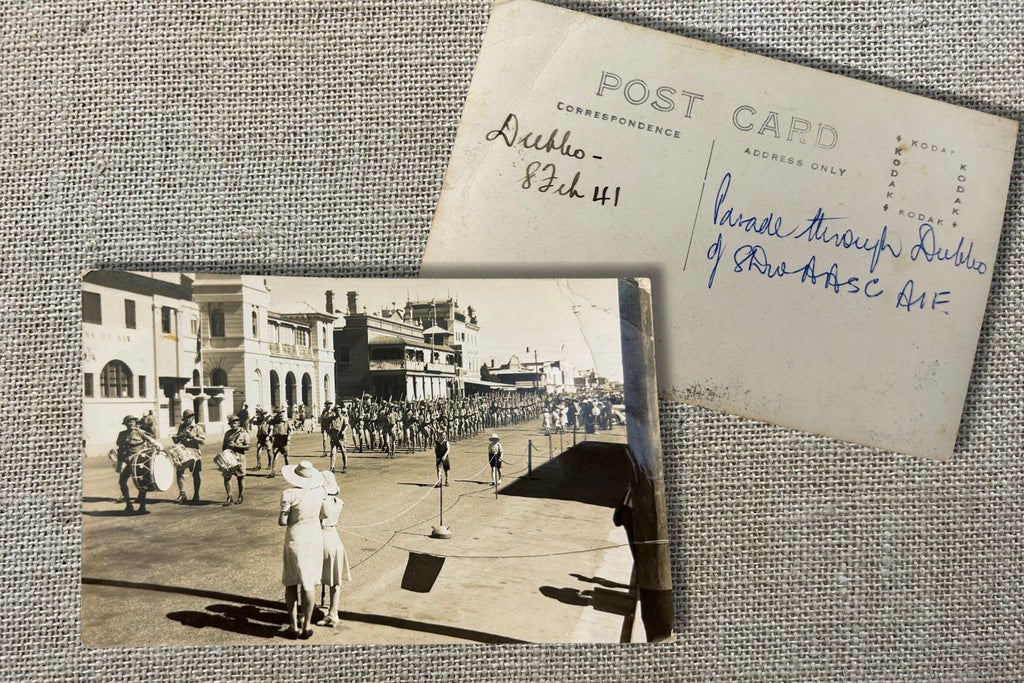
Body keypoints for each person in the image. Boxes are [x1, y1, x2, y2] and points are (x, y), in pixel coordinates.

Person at [279, 460, 326, 639]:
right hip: (313, 536)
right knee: (309, 581)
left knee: (292, 581)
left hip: (296, 536)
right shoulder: (320, 491)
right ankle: (306, 625)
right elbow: (323, 515)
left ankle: (293, 626)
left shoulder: (289, 494)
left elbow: (282, 521)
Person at [317, 470, 351, 628]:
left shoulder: (321, 502)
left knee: (312, 578)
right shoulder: (338, 501)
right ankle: (333, 612)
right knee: (334, 579)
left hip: (321, 538)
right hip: (334, 538)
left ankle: (306, 613)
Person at [115, 415, 150, 514]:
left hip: (139, 461)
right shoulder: (122, 434)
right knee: (122, 482)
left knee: (141, 483)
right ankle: (128, 505)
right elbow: (120, 450)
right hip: (128, 462)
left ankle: (142, 506)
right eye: (129, 422)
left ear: (135, 423)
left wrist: (156, 445)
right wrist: (119, 463)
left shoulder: (140, 432)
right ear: (125, 424)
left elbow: (150, 440)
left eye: (133, 422)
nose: (131, 424)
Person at [171, 408, 205, 503]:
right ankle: (182, 494)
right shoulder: (181, 427)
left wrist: (193, 437)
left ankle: (196, 494)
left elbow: (203, 441)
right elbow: (177, 440)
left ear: (193, 417)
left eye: (188, 418)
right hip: (183, 452)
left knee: (195, 473)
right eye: (185, 418)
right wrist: (175, 438)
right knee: (179, 472)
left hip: (194, 452)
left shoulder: (198, 428)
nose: (186, 420)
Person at [218, 414, 250, 505]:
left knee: (240, 477)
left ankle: (241, 496)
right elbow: (224, 445)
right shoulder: (228, 433)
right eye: (231, 423)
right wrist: (224, 455)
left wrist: (236, 446)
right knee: (227, 477)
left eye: (235, 423)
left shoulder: (244, 433)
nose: (233, 425)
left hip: (240, 456)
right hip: (229, 457)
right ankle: (229, 497)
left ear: (238, 423)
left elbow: (247, 447)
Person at [269, 407, 292, 477]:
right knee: (274, 456)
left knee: (286, 457)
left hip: (284, 441)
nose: (282, 416)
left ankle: (289, 471)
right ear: (278, 415)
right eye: (280, 414)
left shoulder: (286, 422)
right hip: (276, 440)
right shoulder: (274, 422)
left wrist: (288, 439)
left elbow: (290, 431)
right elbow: (270, 426)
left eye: (283, 414)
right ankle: (273, 471)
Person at [326, 406, 349, 474]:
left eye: (339, 410)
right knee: (333, 453)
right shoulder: (332, 419)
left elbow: (347, 425)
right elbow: (328, 427)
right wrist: (329, 433)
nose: (338, 412)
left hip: (341, 438)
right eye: (336, 410)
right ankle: (332, 467)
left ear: (340, 411)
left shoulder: (344, 418)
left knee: (343, 452)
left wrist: (344, 431)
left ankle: (345, 466)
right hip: (333, 438)